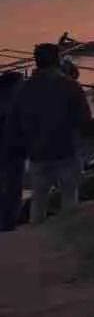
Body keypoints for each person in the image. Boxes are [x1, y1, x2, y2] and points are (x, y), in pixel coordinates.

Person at [11, 43, 93, 224]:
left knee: (38, 201)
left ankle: (36, 239)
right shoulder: (70, 86)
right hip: (66, 152)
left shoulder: (23, 89)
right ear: (57, 60)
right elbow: (85, 119)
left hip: (37, 153)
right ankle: (69, 235)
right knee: (70, 198)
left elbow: (16, 122)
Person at [0, 71, 26, 231]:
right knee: (11, 188)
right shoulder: (10, 105)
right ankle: (8, 222)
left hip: (12, 152)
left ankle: (8, 221)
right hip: (11, 152)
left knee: (10, 188)